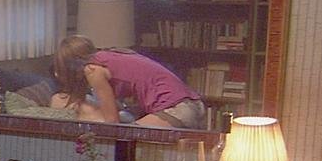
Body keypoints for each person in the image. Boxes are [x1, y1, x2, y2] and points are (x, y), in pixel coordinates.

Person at [50, 34, 206, 128]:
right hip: (191, 104)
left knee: (129, 140)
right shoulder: (109, 56)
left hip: (176, 108)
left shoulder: (93, 70)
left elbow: (112, 121)